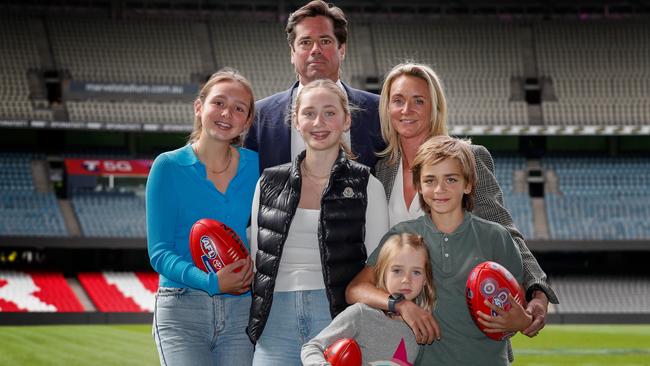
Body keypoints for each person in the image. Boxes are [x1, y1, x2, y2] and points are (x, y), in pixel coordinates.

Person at [348, 62, 558, 358]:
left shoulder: (468, 158)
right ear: (386, 108)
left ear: (434, 107)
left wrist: (537, 289)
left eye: (418, 100)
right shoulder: (381, 170)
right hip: (405, 334)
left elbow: (504, 229)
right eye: (398, 100)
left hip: (468, 334)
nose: (406, 109)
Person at [355, 136, 533, 365]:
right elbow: (357, 288)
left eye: (451, 179)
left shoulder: (496, 237)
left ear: (468, 184)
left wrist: (522, 321)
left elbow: (521, 308)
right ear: (418, 185)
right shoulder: (402, 236)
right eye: (430, 180)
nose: (440, 189)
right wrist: (400, 304)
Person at [247, 79, 389, 365]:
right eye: (309, 113)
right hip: (275, 322)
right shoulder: (268, 183)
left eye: (329, 112)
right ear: (296, 122)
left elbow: (377, 267)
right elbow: (257, 258)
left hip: (337, 321)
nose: (319, 122)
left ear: (346, 120)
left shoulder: (367, 185)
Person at [146, 68, 258, 365]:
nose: (226, 113)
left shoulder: (256, 167)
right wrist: (211, 281)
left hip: (241, 309)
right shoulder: (167, 167)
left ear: (247, 121)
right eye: (218, 103)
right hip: (182, 308)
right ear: (199, 107)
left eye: (239, 108)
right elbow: (159, 253)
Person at [244, 0, 385, 172]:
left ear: (342, 50)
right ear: (292, 53)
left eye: (325, 41)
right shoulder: (260, 116)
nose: (315, 50)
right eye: (305, 42)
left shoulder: (379, 110)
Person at [301, 233, 433, 366]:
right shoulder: (361, 314)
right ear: (382, 273)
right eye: (397, 270)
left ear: (425, 280)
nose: (406, 280)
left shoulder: (421, 325)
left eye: (416, 272)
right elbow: (312, 347)